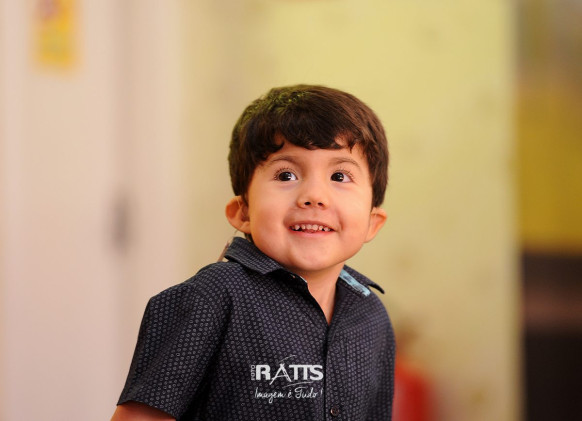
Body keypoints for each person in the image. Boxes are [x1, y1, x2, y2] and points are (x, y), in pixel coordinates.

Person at [111, 84, 395, 421]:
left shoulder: (372, 317)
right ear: (243, 212)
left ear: (372, 223)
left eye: (339, 175)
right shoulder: (212, 298)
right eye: (286, 175)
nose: (315, 196)